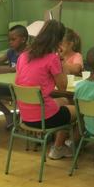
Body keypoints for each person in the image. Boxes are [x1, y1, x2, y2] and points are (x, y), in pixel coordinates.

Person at [15, 20, 77, 160]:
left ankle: (55, 143)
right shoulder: (52, 59)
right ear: (59, 40)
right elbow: (63, 86)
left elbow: (18, 81)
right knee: (77, 110)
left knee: (64, 100)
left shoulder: (23, 56)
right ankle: (59, 147)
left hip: (24, 116)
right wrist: (61, 61)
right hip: (43, 117)